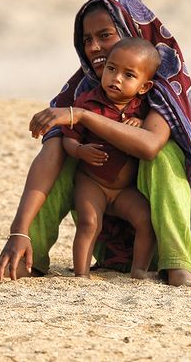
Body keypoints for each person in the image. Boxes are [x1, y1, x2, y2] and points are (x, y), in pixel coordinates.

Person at [0, 0, 191, 287]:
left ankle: (178, 267)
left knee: (163, 154)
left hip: (180, 238)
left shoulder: (163, 89)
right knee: (64, 148)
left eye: (105, 35)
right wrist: (18, 230)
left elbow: (149, 146)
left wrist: (82, 117)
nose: (94, 47)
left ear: (130, 34)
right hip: (113, 244)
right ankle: (27, 255)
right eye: (86, 40)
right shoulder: (82, 91)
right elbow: (50, 156)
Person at [62, 38, 160, 279]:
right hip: (92, 182)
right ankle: (81, 274)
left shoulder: (143, 108)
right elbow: (68, 137)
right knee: (89, 223)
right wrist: (78, 151)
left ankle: (139, 271)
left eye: (128, 75)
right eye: (111, 69)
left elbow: (149, 137)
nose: (116, 78)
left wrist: (139, 124)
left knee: (147, 220)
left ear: (144, 87)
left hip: (123, 189)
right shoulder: (88, 102)